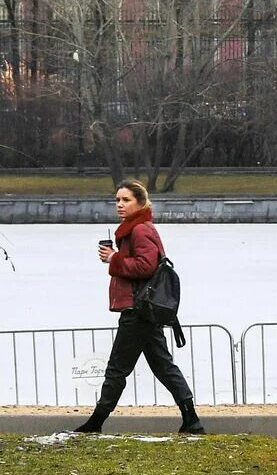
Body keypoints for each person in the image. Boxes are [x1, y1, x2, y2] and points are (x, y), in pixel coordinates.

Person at [75, 180, 204, 434]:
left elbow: (146, 266)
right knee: (164, 367)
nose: (120, 205)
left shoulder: (139, 231)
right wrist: (117, 257)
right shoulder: (137, 229)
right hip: (145, 311)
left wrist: (114, 258)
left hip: (137, 311)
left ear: (141, 203)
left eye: (126, 200)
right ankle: (191, 419)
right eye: (117, 200)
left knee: (116, 369)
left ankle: (95, 423)